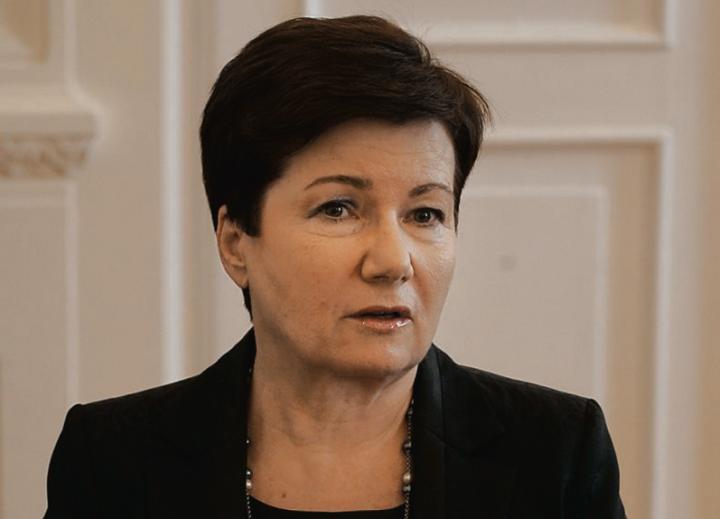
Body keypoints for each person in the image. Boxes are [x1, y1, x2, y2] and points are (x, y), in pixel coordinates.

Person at [44, 15, 626, 519]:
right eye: (338, 208)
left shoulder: (553, 455)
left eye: (425, 213)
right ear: (236, 242)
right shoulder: (114, 462)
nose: (393, 262)